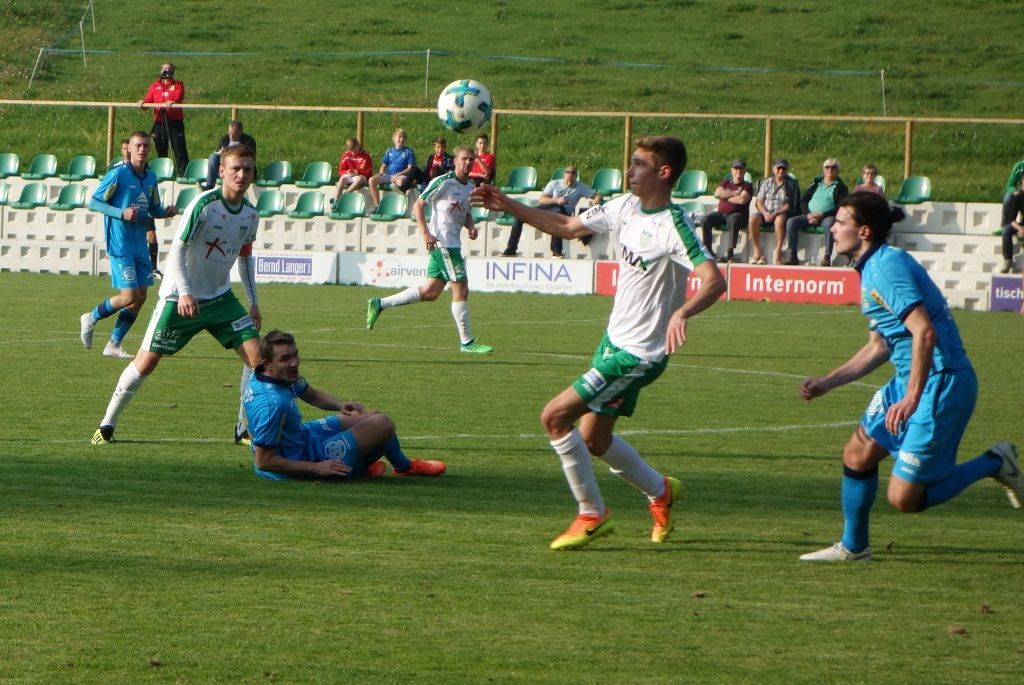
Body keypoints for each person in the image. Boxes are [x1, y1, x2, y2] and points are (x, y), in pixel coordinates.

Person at [473, 136, 727, 550]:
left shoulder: (673, 225)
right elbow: (568, 227)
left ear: (664, 173)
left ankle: (591, 513)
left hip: (638, 355)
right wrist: (509, 204)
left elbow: (714, 280)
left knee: (555, 417)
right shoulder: (625, 206)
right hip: (613, 342)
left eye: (639, 164)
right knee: (595, 439)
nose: (629, 170)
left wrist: (683, 312)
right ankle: (661, 491)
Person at [798, 191, 1022, 562]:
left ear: (864, 231)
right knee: (857, 454)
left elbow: (925, 333)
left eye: (840, 222)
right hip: (912, 379)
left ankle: (995, 462)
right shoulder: (872, 267)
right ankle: (854, 548)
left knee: (904, 498)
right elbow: (878, 347)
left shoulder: (885, 269)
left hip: (941, 382)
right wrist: (828, 382)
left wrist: (912, 398)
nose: (832, 228)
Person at [90, 145, 263, 445]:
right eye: (236, 168)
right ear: (222, 171)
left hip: (220, 299)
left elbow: (245, 258)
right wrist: (184, 293)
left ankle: (243, 428)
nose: (241, 174)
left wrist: (253, 302)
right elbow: (177, 251)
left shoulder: (250, 214)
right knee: (145, 363)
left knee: (257, 359)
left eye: (247, 169)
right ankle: (106, 425)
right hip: (179, 298)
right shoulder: (205, 205)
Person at [244, 329, 447, 480]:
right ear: (269, 363)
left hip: (302, 438)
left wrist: (339, 404)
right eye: (285, 358)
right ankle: (366, 466)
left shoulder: (270, 374)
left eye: (295, 354)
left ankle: (390, 465)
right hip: (300, 463)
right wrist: (317, 468)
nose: (294, 362)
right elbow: (264, 461)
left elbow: (311, 395)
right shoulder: (273, 405)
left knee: (371, 415)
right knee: (383, 424)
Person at [365, 146, 493, 355]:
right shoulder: (443, 182)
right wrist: (426, 233)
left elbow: (465, 212)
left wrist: (470, 226)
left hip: (452, 244)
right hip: (443, 244)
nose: (468, 162)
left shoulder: (470, 185)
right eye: (464, 159)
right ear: (455, 161)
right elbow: (419, 204)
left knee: (430, 292)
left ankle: (379, 303)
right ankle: (467, 342)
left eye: (471, 159)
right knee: (461, 288)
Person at [82, 131, 178, 359]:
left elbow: (153, 208)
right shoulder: (118, 174)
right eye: (138, 145)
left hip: (139, 245)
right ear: (130, 148)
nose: (142, 149)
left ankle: (114, 344)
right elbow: (94, 202)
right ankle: (91, 317)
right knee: (129, 296)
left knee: (141, 296)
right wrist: (121, 213)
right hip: (120, 244)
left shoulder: (151, 178)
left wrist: (166, 212)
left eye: (146, 146)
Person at [502, 165, 602, 258]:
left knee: (557, 213)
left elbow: (597, 195)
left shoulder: (580, 187)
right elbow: (542, 199)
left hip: (564, 212)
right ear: (564, 174)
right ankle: (511, 249)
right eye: (568, 172)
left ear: (576, 175)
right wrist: (556, 200)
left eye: (573, 173)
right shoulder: (555, 183)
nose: (570, 174)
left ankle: (556, 251)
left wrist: (597, 198)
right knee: (520, 215)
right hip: (549, 207)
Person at [784, 158, 848, 266]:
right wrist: (808, 214)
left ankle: (827, 257)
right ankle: (792, 255)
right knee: (791, 222)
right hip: (809, 215)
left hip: (827, 216)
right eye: (827, 167)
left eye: (833, 167)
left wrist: (822, 215)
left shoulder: (841, 187)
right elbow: (804, 201)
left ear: (837, 170)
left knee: (830, 224)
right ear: (823, 169)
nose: (830, 169)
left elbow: (840, 208)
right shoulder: (816, 184)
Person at [139, 62, 189, 175]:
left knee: (179, 150)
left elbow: (178, 97)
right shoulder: (155, 85)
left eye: (169, 69)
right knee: (160, 149)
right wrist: (143, 103)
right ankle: (163, 173)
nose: (167, 71)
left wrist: (172, 102)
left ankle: (183, 174)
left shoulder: (178, 85)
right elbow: (148, 100)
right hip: (159, 121)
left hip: (175, 122)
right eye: (165, 69)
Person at [748, 158, 799, 265]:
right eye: (778, 168)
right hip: (765, 212)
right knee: (753, 219)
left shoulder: (791, 184)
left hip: (780, 212)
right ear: (773, 169)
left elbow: (790, 204)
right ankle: (757, 250)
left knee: (779, 221)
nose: (781, 171)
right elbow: (759, 201)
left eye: (783, 168)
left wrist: (776, 213)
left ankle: (778, 251)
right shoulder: (766, 182)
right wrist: (765, 213)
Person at [701, 159, 753, 263]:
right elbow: (717, 193)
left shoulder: (747, 185)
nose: (738, 171)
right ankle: (708, 250)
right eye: (736, 168)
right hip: (721, 214)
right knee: (706, 220)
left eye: (741, 169)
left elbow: (742, 200)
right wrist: (734, 193)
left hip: (739, 214)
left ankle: (730, 250)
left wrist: (725, 196)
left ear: (744, 171)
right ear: (732, 170)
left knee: (734, 219)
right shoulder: (725, 183)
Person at [368, 128, 416, 212]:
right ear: (394, 138)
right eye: (399, 137)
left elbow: (410, 168)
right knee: (372, 180)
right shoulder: (389, 151)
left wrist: (398, 175)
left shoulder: (408, 152)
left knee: (399, 181)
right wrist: (381, 172)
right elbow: (384, 165)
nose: (402, 139)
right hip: (389, 176)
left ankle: (401, 200)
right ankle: (377, 206)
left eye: (404, 138)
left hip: (402, 176)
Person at [200, 120, 257, 191]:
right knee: (213, 157)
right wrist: (220, 152)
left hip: (241, 167)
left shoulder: (249, 141)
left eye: (234, 134)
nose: (231, 136)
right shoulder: (225, 139)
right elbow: (219, 151)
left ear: (240, 132)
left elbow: (250, 156)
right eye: (230, 133)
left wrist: (231, 151)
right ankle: (209, 186)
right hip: (226, 166)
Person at [331, 137, 373, 204]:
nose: (353, 153)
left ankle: (343, 196)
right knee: (342, 178)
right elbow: (341, 170)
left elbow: (369, 172)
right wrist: (347, 172)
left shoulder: (366, 156)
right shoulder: (346, 155)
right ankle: (336, 200)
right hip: (350, 176)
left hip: (361, 176)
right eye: (351, 151)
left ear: (358, 146)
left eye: (355, 151)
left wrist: (358, 172)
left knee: (359, 179)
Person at [999, 176, 1024, 273]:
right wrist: (1020, 228)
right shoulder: (1018, 197)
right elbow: (1011, 219)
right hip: (1022, 226)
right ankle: (1007, 260)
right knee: (1006, 230)